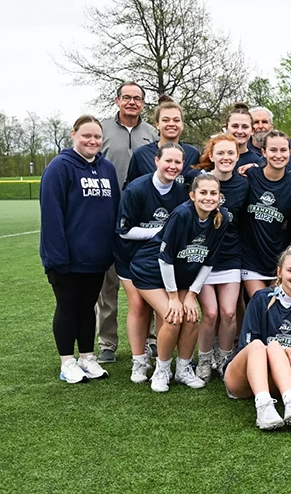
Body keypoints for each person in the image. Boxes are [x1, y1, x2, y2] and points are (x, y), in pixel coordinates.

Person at [129, 173, 230, 392]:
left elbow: (209, 261)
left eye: (214, 193)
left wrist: (192, 294)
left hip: (182, 273)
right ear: (193, 195)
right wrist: (174, 297)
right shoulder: (182, 214)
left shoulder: (221, 219)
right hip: (151, 271)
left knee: (192, 317)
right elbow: (165, 258)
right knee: (173, 317)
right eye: (203, 192)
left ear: (220, 197)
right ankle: (161, 370)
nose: (208, 197)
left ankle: (183, 369)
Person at [40, 115, 120, 383]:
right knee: (68, 306)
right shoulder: (59, 167)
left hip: (96, 258)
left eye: (97, 136)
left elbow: (113, 211)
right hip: (66, 258)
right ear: (73, 134)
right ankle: (67, 362)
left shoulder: (107, 169)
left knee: (88, 308)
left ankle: (87, 357)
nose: (93, 141)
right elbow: (52, 216)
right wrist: (57, 257)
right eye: (87, 135)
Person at [115, 142, 188, 383]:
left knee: (166, 310)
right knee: (138, 306)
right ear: (156, 161)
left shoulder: (180, 192)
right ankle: (139, 361)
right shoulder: (136, 189)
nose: (173, 166)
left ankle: (164, 361)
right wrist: (162, 231)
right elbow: (124, 231)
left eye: (178, 162)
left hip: (159, 258)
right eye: (168, 161)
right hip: (130, 256)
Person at [96, 81, 158, 364]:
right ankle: (107, 342)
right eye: (127, 97)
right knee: (108, 284)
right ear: (117, 100)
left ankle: (153, 340)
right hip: (109, 216)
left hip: (146, 220)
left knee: (151, 279)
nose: (132, 102)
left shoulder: (152, 133)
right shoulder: (103, 130)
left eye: (138, 98)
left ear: (143, 103)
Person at [224, 245, 291, 430]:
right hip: (241, 378)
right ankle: (264, 408)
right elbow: (246, 347)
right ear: (279, 272)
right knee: (260, 345)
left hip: (277, 380)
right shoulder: (260, 299)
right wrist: (280, 351)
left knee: (274, 347)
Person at [186, 135, 249, 381]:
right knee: (210, 313)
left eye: (230, 153)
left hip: (231, 256)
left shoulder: (243, 184)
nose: (226, 158)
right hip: (202, 257)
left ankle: (224, 358)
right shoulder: (197, 181)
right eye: (220, 153)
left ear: (237, 156)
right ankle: (203, 359)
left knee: (229, 312)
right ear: (211, 156)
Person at [240, 131, 291, 297]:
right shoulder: (250, 176)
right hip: (251, 258)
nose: (278, 155)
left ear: (290, 152)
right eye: (273, 150)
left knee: (277, 308)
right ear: (263, 152)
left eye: (283, 150)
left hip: (278, 256)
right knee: (260, 304)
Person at [126, 96, 200, 185]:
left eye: (176, 120)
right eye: (165, 120)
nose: (171, 124)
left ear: (182, 125)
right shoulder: (141, 154)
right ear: (157, 125)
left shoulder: (192, 154)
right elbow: (131, 188)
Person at [227, 104, 263, 169]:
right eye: (235, 126)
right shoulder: (213, 159)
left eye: (245, 127)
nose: (240, 131)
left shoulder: (258, 163)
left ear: (252, 131)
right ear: (226, 128)